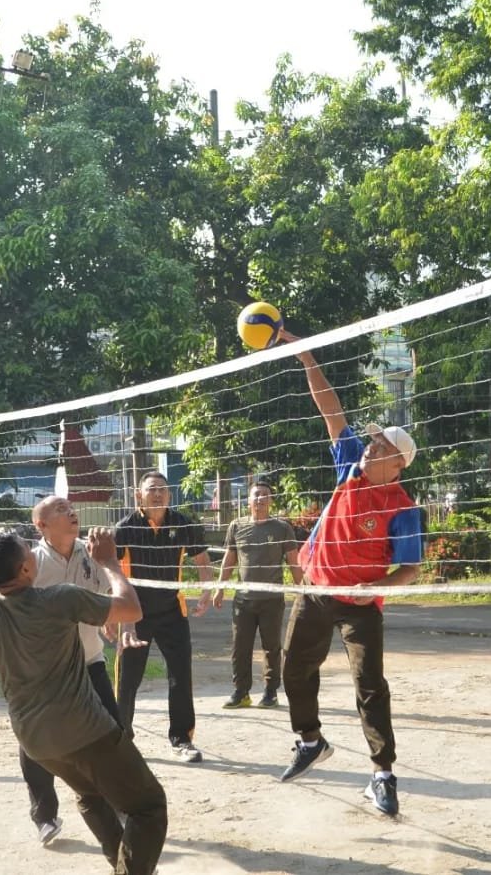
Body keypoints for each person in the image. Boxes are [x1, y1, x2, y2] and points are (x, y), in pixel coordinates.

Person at [0, 527, 167, 875]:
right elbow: (131, 610)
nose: (33, 552)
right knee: (148, 806)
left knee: (90, 795)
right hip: (86, 730)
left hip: (36, 742)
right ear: (25, 570)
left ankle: (126, 866)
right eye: (29, 549)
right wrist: (111, 563)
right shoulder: (60, 599)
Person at [276, 330, 423, 818]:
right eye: (372, 439)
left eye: (379, 443)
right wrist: (305, 355)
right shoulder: (348, 468)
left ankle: (382, 774)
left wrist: (374, 587)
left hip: (362, 604)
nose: (369, 444)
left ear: (396, 463)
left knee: (369, 685)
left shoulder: (402, 507)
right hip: (317, 590)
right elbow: (329, 408)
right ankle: (311, 740)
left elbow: (411, 570)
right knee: (292, 668)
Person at [18, 495, 124, 847]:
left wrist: (117, 626)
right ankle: (44, 816)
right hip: (45, 670)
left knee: (114, 731)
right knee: (35, 742)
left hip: (90, 660)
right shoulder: (30, 564)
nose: (70, 511)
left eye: (70, 506)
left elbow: (117, 598)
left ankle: (119, 799)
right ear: (42, 525)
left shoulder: (92, 552)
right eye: (59, 509)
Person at [113, 469, 213, 763]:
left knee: (180, 677)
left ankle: (182, 739)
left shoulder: (182, 523)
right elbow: (111, 571)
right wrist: (111, 614)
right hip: (134, 613)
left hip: (172, 611)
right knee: (127, 678)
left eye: (163, 489)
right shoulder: (125, 528)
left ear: (169, 495)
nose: (158, 493)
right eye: (152, 489)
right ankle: (121, 738)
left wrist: (206, 589)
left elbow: (201, 557)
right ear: (138, 495)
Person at [212, 480, 301, 710]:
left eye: (264, 495)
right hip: (243, 600)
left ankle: (270, 692)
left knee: (271, 647)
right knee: (240, 647)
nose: (260, 499)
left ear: (270, 500)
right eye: (256, 495)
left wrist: (303, 591)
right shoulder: (237, 526)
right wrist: (220, 587)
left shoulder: (282, 528)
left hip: (271, 600)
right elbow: (229, 559)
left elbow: (293, 561)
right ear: (248, 500)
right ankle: (241, 692)